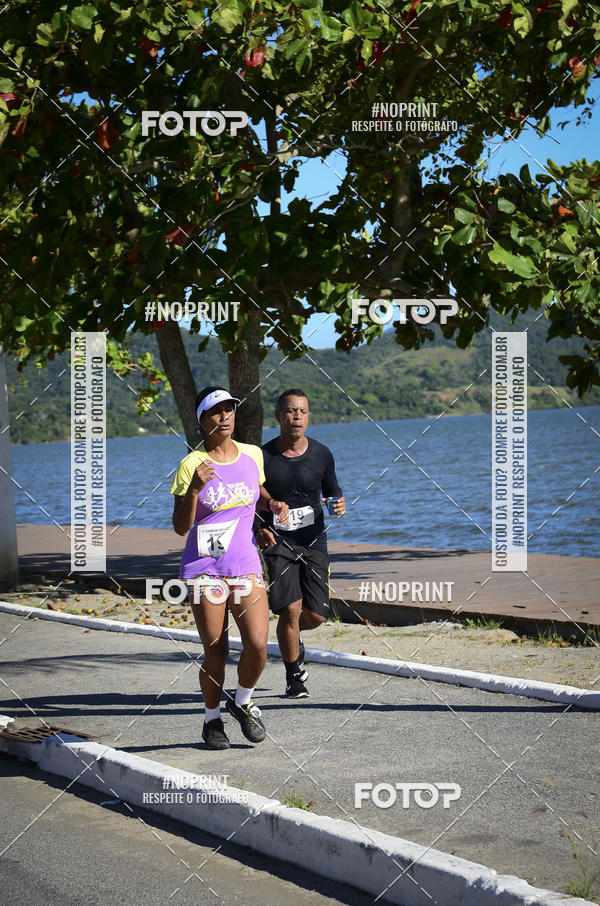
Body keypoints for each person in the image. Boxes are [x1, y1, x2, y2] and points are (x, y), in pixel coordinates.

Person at [170, 386, 289, 749]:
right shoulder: (192, 464)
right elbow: (180, 527)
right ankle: (212, 720)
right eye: (216, 412)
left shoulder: (253, 454)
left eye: (229, 410)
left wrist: (272, 506)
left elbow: (255, 492)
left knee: (257, 645)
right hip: (205, 568)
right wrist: (193, 490)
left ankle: (242, 701)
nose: (225, 417)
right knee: (216, 651)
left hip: (245, 563)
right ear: (203, 420)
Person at [255, 389, 345, 698]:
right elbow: (248, 500)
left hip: (314, 541)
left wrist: (339, 503)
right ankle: (295, 677)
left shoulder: (321, 453)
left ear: (308, 416)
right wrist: (258, 529)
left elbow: (333, 491)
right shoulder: (263, 457)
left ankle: (293, 640)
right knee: (290, 611)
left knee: (316, 616)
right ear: (278, 415)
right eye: (291, 411)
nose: (297, 416)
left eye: (303, 411)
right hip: (278, 542)